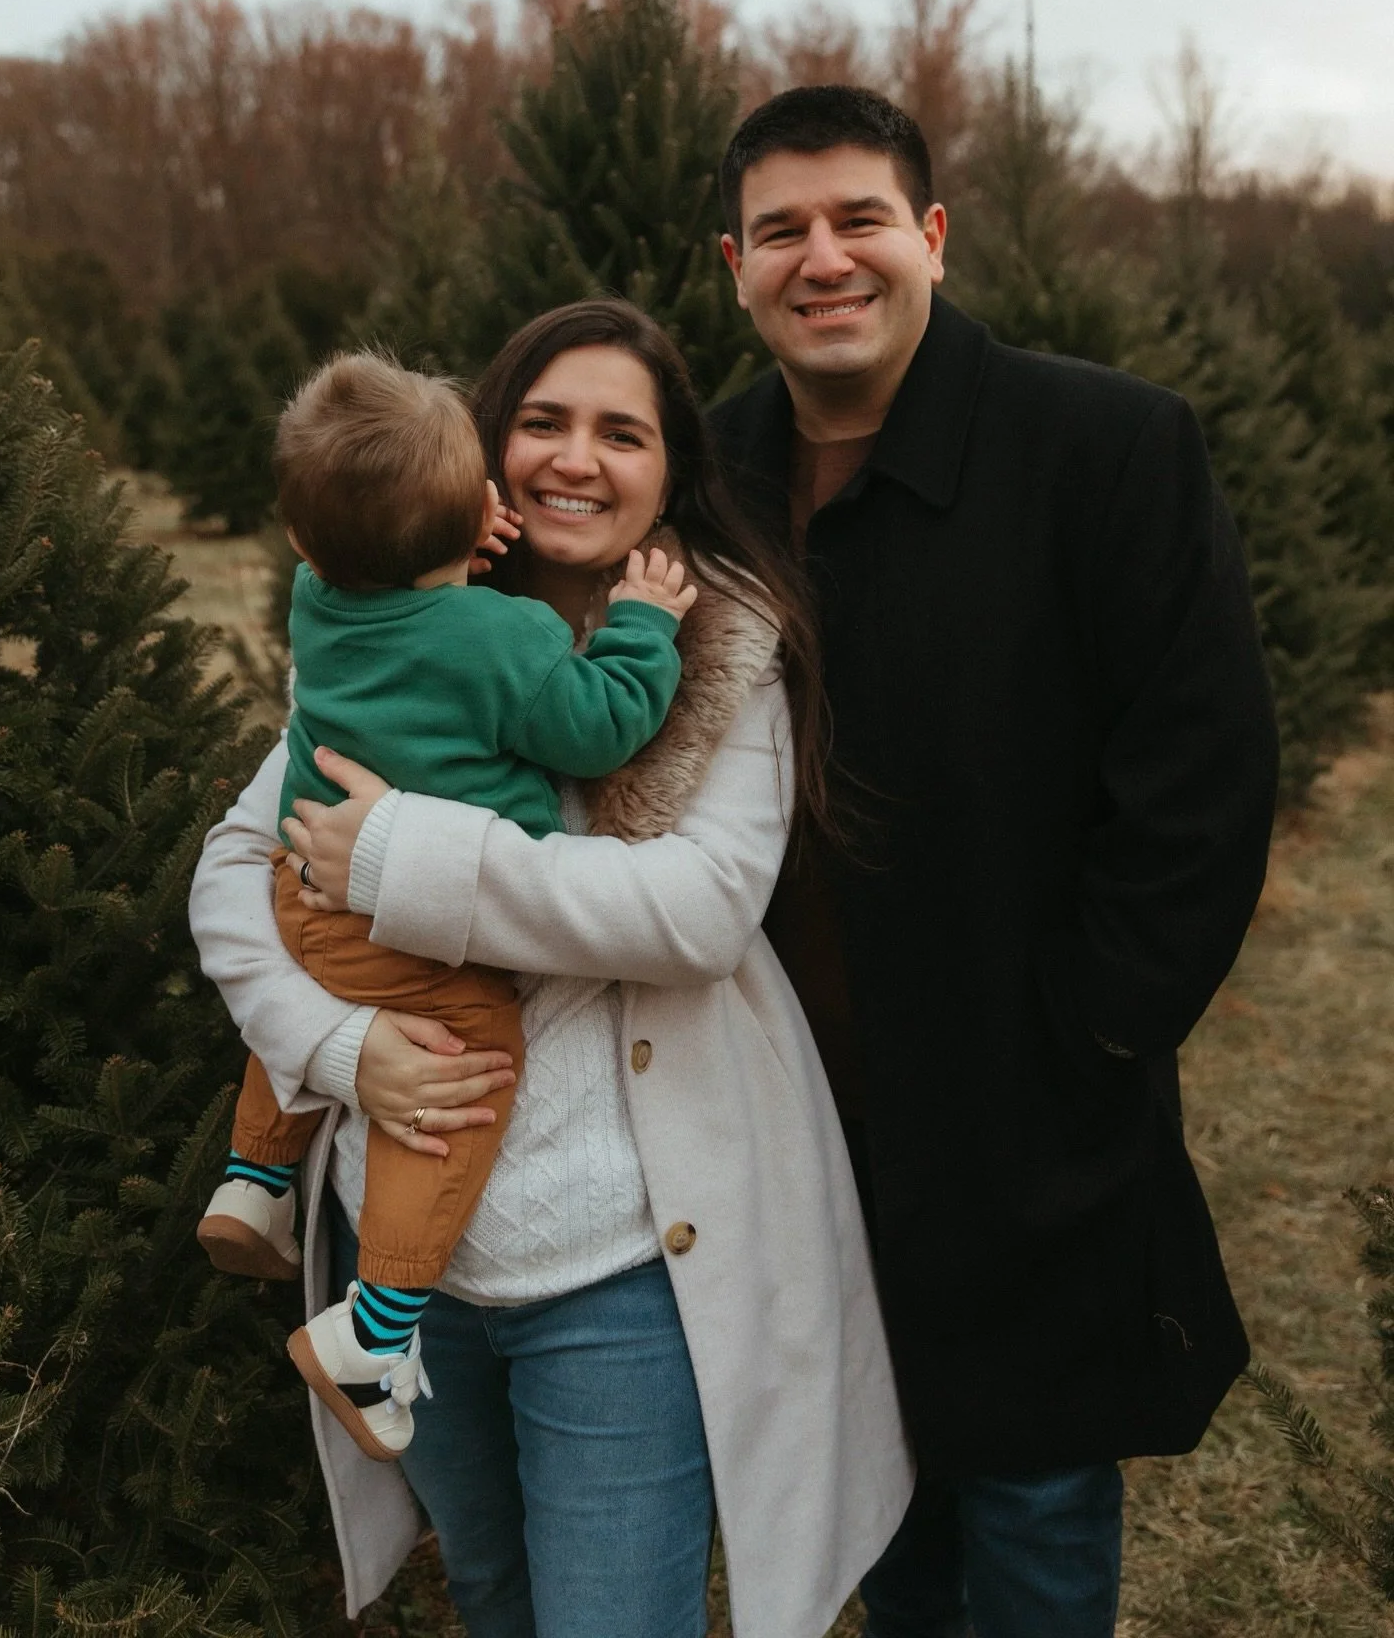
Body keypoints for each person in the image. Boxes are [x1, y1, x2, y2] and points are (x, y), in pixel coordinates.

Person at [188, 299, 912, 1638]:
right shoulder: (403, 599)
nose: (578, 458)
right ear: (483, 454)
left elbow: (693, 913)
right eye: (544, 423)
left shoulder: (722, 646)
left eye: (621, 433)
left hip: (623, 1269)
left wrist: (398, 857)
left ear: (668, 470)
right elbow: (235, 875)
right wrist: (345, 1052)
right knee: (494, 1595)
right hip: (418, 1271)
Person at [705, 85, 1281, 1638]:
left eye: (859, 220)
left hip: (1028, 1099)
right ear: (735, 267)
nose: (824, 258)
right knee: (877, 1501)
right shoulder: (702, 479)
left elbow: (1204, 782)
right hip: (789, 1110)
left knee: (1029, 1502)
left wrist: (1089, 1031)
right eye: (782, 231)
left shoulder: (1103, 446)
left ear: (932, 239)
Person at [195, 349, 696, 1463]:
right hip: (419, 944)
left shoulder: (319, 602)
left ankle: (256, 1176)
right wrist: (644, 628)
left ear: (301, 542)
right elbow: (601, 724)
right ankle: (376, 1331)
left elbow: (385, 583)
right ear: (482, 507)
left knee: (321, 971)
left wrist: (440, 544)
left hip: (306, 899)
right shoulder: (500, 636)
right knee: (460, 1075)